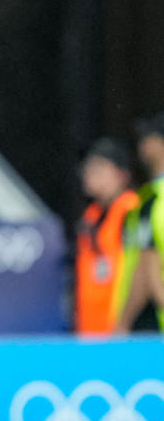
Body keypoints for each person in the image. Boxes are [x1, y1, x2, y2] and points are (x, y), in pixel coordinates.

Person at [75, 138, 140, 334]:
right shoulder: (91, 216)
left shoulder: (132, 210)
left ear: (122, 175)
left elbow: (142, 270)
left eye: (100, 168)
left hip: (121, 331)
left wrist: (124, 322)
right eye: (88, 168)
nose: (90, 174)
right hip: (90, 331)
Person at [115, 114, 164, 333]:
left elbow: (146, 270)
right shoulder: (148, 199)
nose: (142, 144)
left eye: (148, 137)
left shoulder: (152, 200)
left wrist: (123, 323)